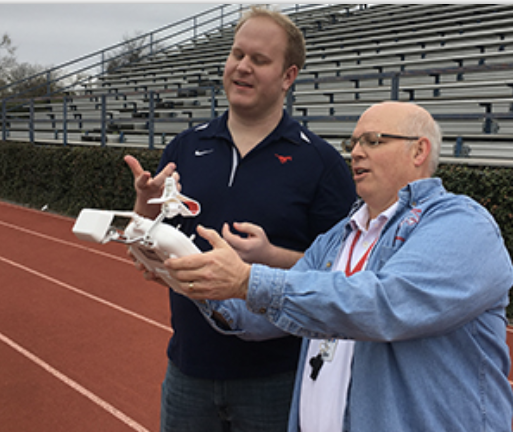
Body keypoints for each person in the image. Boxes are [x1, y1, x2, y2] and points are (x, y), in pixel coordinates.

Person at [165, 101, 513, 431]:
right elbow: (262, 314)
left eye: (373, 140)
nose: (357, 152)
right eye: (353, 143)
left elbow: (386, 304)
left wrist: (247, 280)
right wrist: (189, 276)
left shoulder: (462, 223)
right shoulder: (339, 236)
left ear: (419, 150)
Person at [124, 6, 357, 432]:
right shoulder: (184, 147)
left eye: (259, 60)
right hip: (188, 370)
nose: (242, 68)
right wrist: (143, 209)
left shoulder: (320, 163)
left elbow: (341, 275)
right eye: (237, 55)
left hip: (277, 378)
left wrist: (272, 257)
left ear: (289, 76)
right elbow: (146, 247)